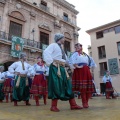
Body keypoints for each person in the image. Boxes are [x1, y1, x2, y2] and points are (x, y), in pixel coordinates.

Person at [43, 33, 83, 112]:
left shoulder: (61, 49)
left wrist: (72, 66)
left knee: (67, 84)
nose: (64, 39)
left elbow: (66, 60)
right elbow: (46, 52)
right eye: (63, 38)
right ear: (59, 38)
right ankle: (53, 106)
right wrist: (51, 62)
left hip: (62, 68)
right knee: (56, 85)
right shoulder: (53, 45)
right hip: (55, 68)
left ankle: (73, 104)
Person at [70, 43, 94, 108]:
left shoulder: (85, 54)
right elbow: (71, 61)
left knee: (88, 87)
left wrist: (89, 68)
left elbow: (91, 61)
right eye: (75, 46)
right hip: (79, 70)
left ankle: (86, 101)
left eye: (78, 46)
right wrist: (76, 66)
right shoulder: (75, 54)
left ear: (81, 47)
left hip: (86, 70)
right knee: (83, 87)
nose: (76, 47)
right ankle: (84, 103)